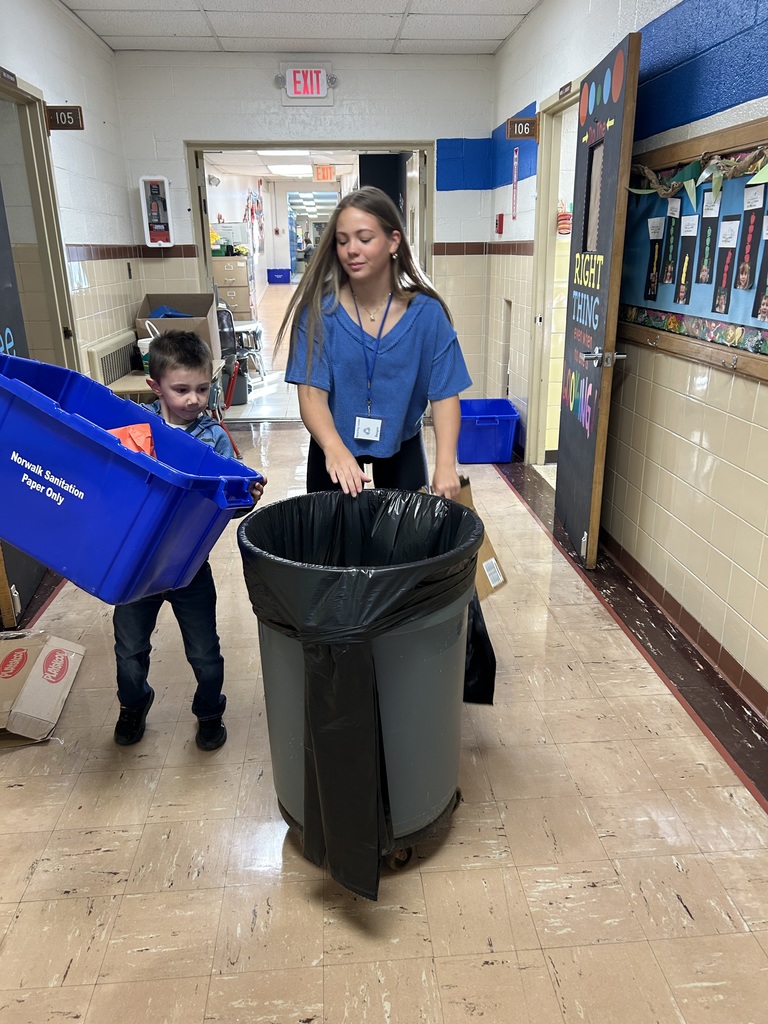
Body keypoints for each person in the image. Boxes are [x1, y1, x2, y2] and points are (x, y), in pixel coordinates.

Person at [112, 330, 266, 751]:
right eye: (181, 390)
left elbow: (230, 504)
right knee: (129, 649)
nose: (194, 399)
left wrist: (246, 498)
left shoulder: (214, 437)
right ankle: (134, 703)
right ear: (154, 387)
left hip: (188, 566)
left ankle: (209, 710)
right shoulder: (132, 429)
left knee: (204, 651)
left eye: (202, 388)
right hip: (136, 567)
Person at [278, 186, 471, 499]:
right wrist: (333, 448)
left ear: (393, 241)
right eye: (342, 241)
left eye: (364, 239)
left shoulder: (427, 315)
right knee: (334, 541)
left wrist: (446, 463)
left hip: (402, 443)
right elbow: (311, 392)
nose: (351, 249)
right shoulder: (318, 313)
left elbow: (445, 393)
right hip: (334, 443)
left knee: (404, 541)